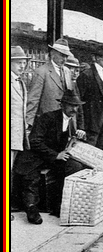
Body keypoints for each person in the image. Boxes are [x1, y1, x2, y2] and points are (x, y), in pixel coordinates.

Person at [13, 90, 88, 224]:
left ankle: (60, 205)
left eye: (76, 106)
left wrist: (77, 138)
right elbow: (35, 141)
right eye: (71, 105)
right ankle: (31, 209)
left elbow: (63, 142)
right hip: (34, 156)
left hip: (51, 158)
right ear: (62, 105)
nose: (74, 109)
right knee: (32, 179)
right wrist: (56, 155)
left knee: (75, 166)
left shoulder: (71, 122)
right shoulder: (47, 118)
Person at [26, 38, 73, 128]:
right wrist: (29, 122)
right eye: (62, 55)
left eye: (66, 56)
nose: (65, 59)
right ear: (52, 53)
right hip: (47, 122)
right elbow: (33, 99)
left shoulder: (67, 71)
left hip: (65, 122)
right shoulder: (42, 71)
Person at [76, 47, 103, 152]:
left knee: (99, 151)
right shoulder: (86, 75)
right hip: (91, 122)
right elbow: (79, 102)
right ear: (96, 58)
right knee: (88, 151)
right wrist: (81, 125)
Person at [10, 46, 31, 220]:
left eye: (24, 63)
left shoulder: (21, 83)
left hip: (17, 136)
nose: (22, 66)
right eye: (18, 62)